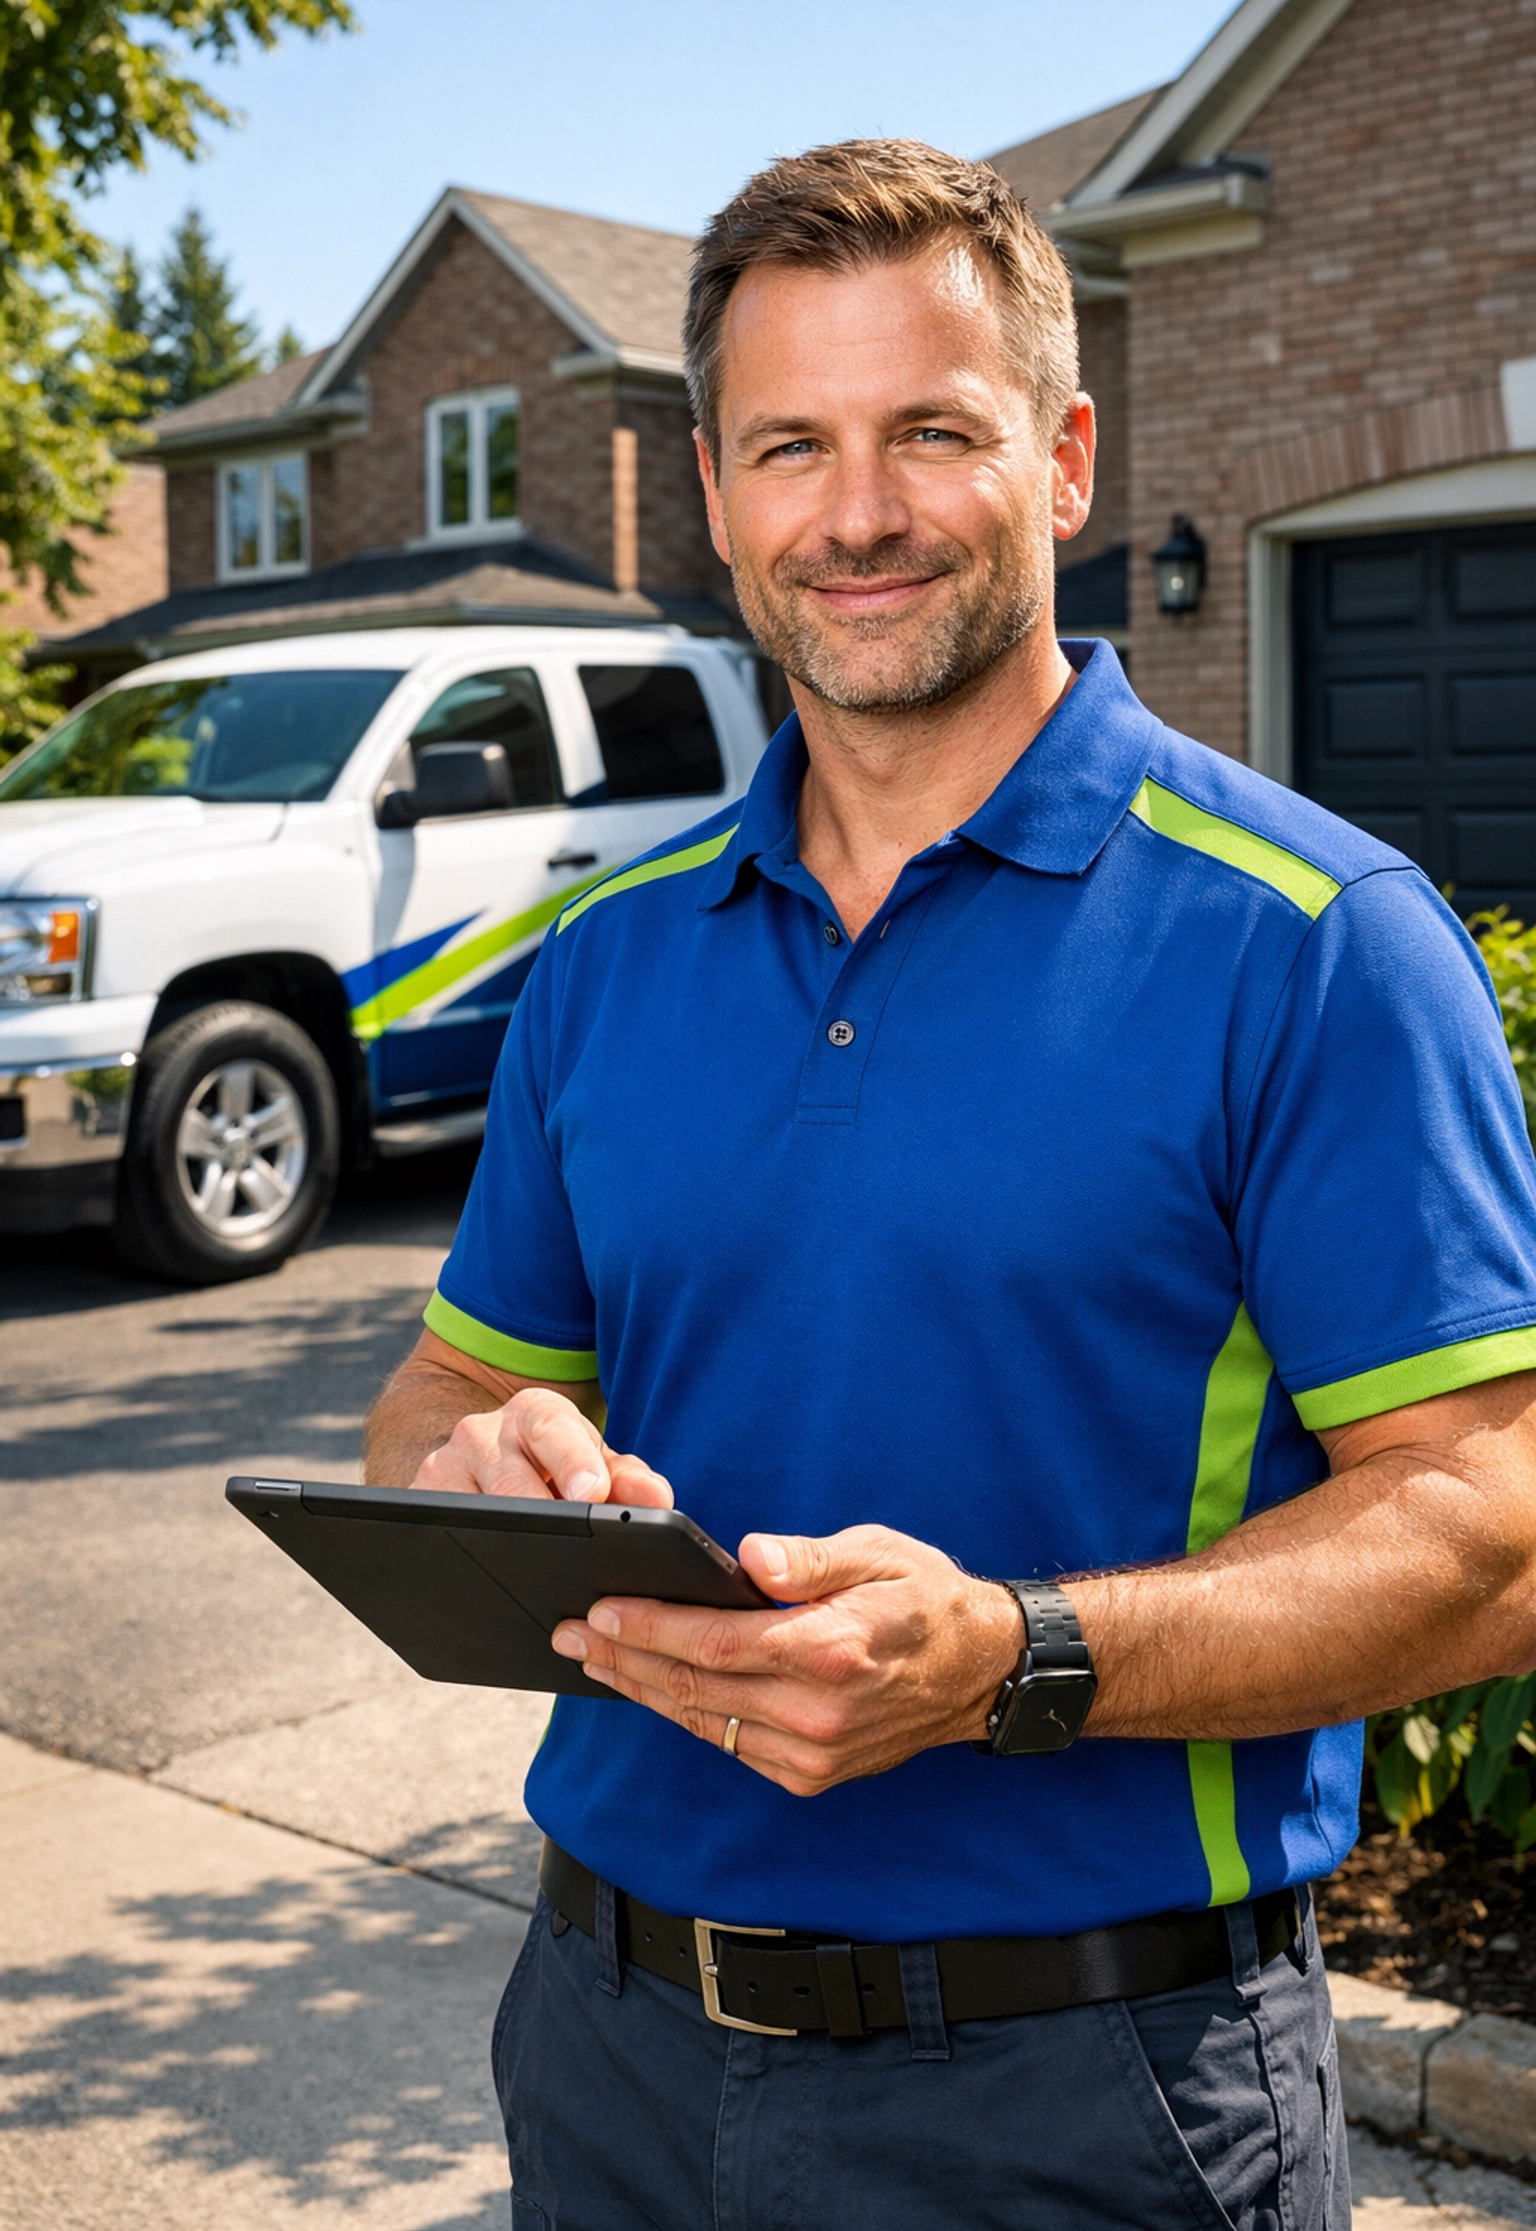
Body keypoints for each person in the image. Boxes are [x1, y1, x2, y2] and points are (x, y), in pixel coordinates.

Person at [364, 140, 1536, 2231]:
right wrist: (480, 1471)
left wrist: (1013, 1656)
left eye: (932, 431)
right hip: (606, 2051)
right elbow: (442, 1398)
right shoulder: (612, 959)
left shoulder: (1313, 941)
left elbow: (1492, 1538)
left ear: (1067, 459)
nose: (861, 513)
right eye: (790, 446)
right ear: (714, 494)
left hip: (1091, 2097)